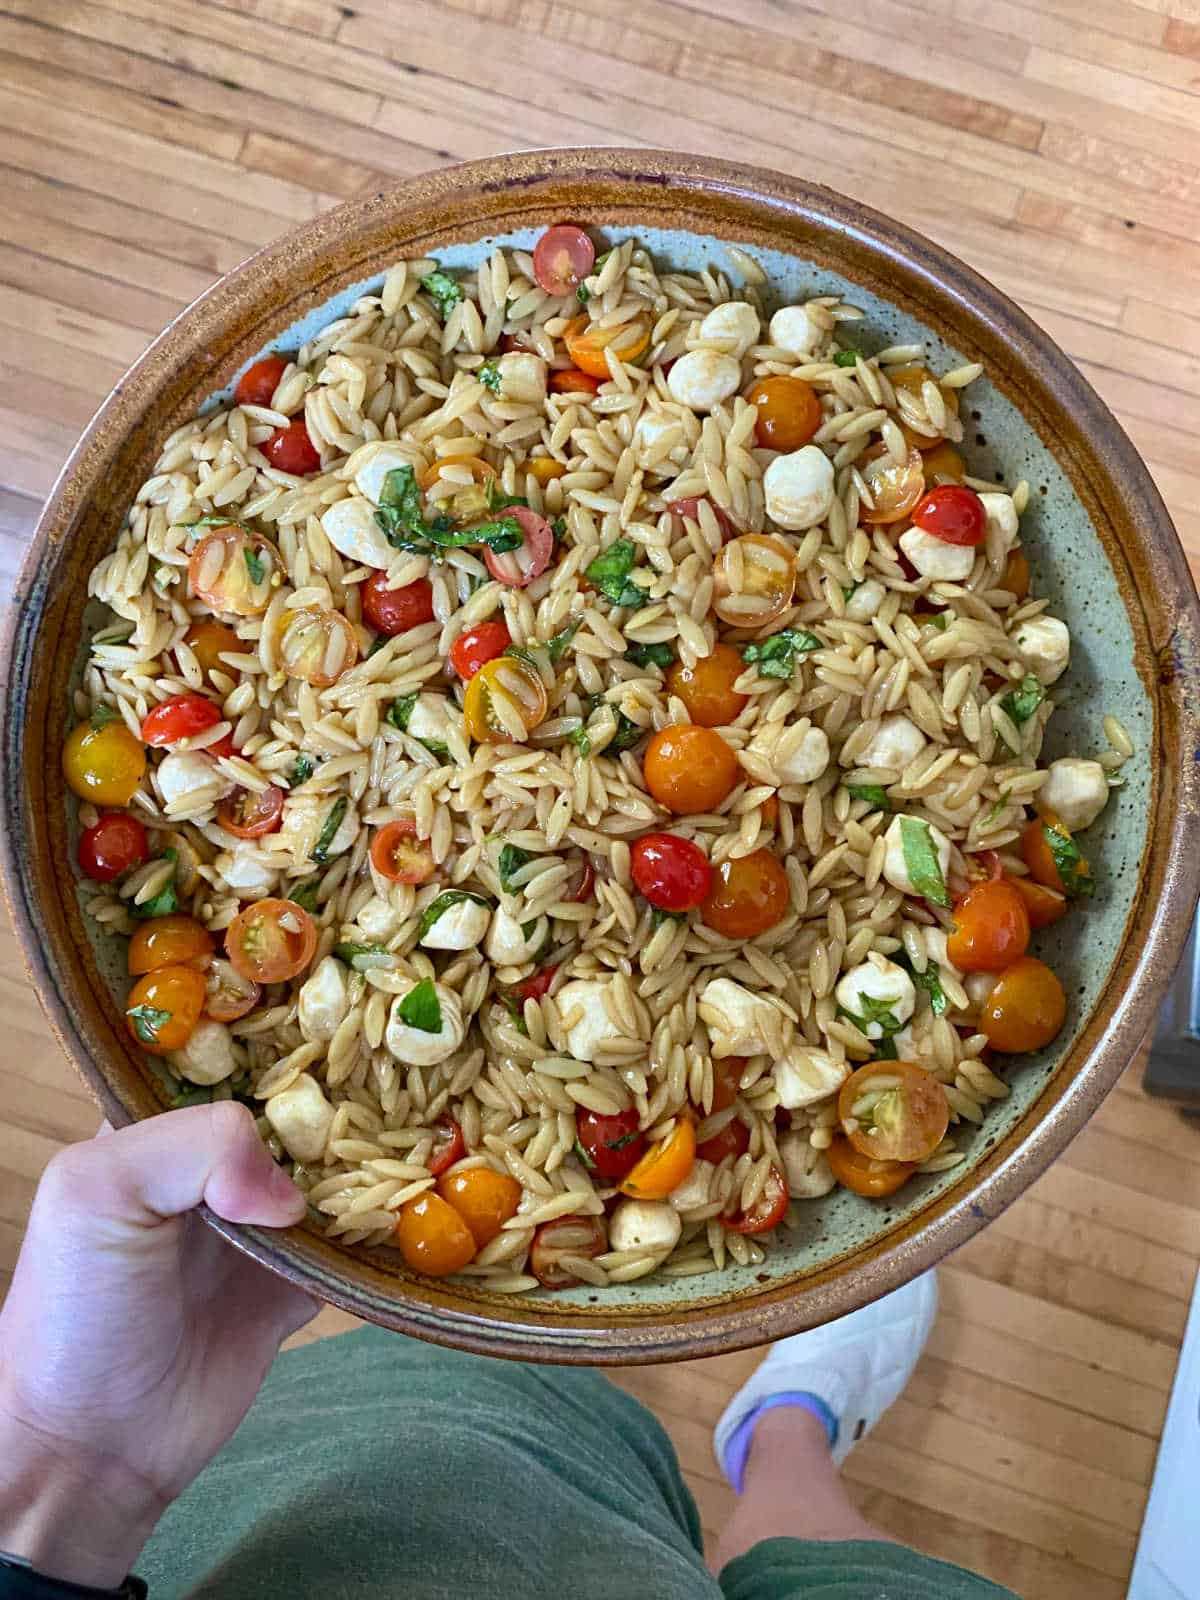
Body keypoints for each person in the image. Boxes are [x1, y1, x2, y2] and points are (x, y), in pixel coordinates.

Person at [0, 1105, 1016, 1598]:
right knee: (847, 1581)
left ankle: (784, 1428)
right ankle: (792, 1430)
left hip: (307, 1494)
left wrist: (70, 1458)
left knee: (476, 1393)